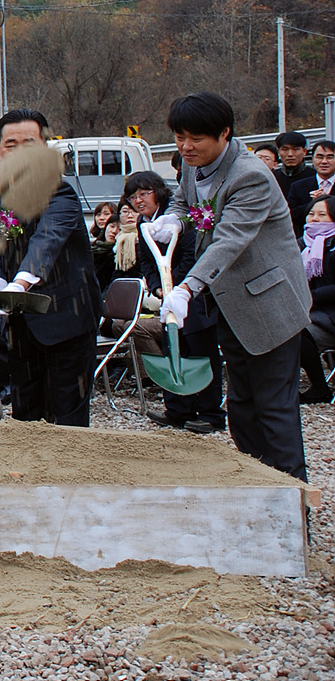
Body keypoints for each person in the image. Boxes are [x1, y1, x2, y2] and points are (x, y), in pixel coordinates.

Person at [140, 92, 310, 481]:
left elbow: (230, 240)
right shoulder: (191, 165)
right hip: (231, 303)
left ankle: (292, 500)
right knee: (241, 406)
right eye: (180, 136)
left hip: (271, 304)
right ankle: (254, 486)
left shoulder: (250, 175)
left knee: (274, 408)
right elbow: (184, 201)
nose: (186, 146)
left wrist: (186, 289)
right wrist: (175, 221)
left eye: (196, 138)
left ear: (225, 133)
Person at [0, 108, 101, 427]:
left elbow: (48, 241)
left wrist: (19, 284)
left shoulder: (59, 191)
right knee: (26, 412)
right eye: (10, 144)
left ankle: (72, 476)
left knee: (66, 416)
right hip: (21, 324)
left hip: (66, 320)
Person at [124, 171, 223, 433]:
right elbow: (145, 260)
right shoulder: (143, 223)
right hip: (167, 298)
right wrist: (157, 287)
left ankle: (212, 414)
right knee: (173, 351)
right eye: (133, 197)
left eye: (144, 194)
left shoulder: (176, 217)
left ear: (158, 191)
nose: (138, 201)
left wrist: (176, 285)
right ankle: (178, 410)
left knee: (201, 354)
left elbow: (192, 255)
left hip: (194, 297)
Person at [298, 194, 335, 404]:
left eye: (322, 214)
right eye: (311, 214)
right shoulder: (302, 243)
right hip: (308, 309)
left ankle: (320, 387)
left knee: (297, 330)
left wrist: (310, 296)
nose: (314, 219)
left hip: (329, 315)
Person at [288, 139, 335, 238]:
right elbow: (291, 216)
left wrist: (328, 201)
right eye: (319, 157)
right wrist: (313, 203)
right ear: (312, 159)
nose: (324, 161)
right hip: (306, 242)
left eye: (330, 157)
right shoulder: (298, 186)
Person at [274, 131, 313, 213]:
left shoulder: (315, 176)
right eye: (285, 149)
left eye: (295, 149)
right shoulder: (272, 177)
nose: (290, 154)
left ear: (305, 151)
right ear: (278, 152)